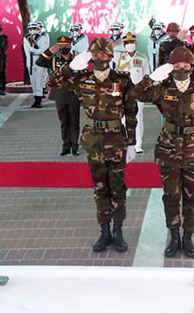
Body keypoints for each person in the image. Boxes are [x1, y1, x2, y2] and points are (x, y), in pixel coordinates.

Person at [49, 37, 138, 253]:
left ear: (110, 56)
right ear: (90, 57)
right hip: (94, 140)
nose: (100, 59)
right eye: (95, 55)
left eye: (104, 55)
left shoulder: (122, 80)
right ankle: (104, 231)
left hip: (116, 139)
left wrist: (132, 143)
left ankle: (118, 231)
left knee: (117, 187)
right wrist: (70, 67)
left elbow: (131, 111)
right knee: (100, 188)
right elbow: (53, 81)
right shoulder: (82, 80)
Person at [130, 47, 194, 258]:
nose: (181, 68)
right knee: (170, 196)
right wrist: (151, 78)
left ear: (192, 66)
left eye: (185, 65)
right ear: (170, 67)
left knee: (192, 197)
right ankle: (174, 236)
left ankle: (188, 237)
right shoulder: (162, 88)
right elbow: (133, 94)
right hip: (168, 150)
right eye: (176, 65)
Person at [37, 36, 80, 156]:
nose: (63, 48)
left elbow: (83, 76)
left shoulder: (76, 61)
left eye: (66, 46)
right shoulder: (54, 61)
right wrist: (49, 51)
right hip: (59, 95)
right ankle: (66, 146)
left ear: (70, 46)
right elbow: (39, 62)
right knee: (64, 122)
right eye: (61, 46)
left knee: (74, 122)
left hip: (73, 95)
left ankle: (75, 146)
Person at [113, 32, 149, 153]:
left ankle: (138, 144)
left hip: (138, 93)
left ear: (136, 43)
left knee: (138, 118)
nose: (129, 45)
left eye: (131, 42)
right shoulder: (118, 56)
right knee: (122, 118)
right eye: (127, 43)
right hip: (123, 93)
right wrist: (118, 42)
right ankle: (124, 142)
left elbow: (146, 76)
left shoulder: (142, 58)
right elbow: (105, 49)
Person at [23, 22, 49, 108]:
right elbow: (26, 51)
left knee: (39, 80)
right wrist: (28, 62)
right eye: (30, 29)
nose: (32, 30)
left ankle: (39, 99)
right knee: (33, 81)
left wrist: (34, 50)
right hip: (30, 61)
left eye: (34, 28)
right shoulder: (26, 38)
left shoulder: (43, 37)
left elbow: (44, 49)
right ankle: (35, 98)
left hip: (39, 60)